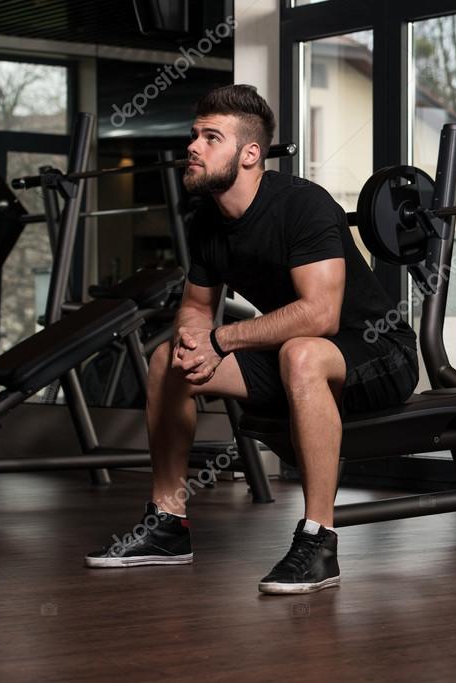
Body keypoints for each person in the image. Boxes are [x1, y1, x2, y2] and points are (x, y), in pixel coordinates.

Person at [85, 84, 419, 594]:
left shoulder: (303, 205)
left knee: (301, 351)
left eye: (210, 137)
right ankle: (168, 522)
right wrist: (195, 344)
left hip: (378, 353)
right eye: (194, 135)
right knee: (165, 362)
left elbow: (322, 314)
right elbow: (196, 307)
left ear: (249, 153)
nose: (193, 146)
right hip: (291, 355)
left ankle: (318, 541)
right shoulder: (208, 222)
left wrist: (223, 339)